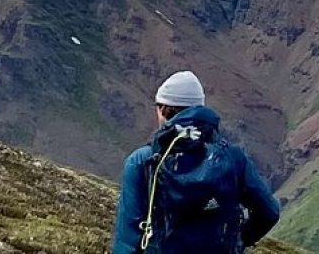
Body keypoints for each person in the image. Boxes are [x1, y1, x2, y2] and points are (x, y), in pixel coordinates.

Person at [112, 71, 281, 253]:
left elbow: (127, 240)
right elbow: (269, 212)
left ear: (162, 109)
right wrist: (239, 241)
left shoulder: (141, 161)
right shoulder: (233, 157)